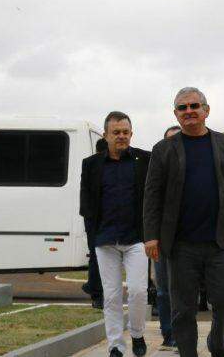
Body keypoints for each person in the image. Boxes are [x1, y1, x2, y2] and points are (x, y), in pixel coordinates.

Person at [143, 87, 224, 357]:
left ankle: (218, 341)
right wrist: (151, 235)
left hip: (220, 242)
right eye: (182, 108)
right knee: (183, 310)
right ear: (176, 114)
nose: (189, 112)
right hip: (181, 245)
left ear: (206, 111)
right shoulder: (163, 150)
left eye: (194, 106)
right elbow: (152, 196)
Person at [80, 111, 150, 357]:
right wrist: (93, 239)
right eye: (116, 132)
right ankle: (115, 346)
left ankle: (138, 333)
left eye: (125, 132)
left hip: (137, 239)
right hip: (105, 240)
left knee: (139, 291)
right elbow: (86, 206)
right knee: (110, 297)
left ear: (131, 133)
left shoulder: (145, 160)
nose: (121, 136)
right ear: (106, 135)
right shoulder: (91, 165)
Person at [152, 125, 181, 350]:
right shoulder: (156, 171)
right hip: (161, 240)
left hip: (187, 239)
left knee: (183, 289)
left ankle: (183, 333)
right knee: (163, 289)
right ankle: (168, 333)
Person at [82, 138, 108, 311]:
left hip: (92, 219)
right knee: (98, 257)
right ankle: (96, 292)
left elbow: (84, 195)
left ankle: (94, 289)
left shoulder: (90, 165)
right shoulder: (93, 165)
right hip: (98, 219)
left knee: (95, 256)